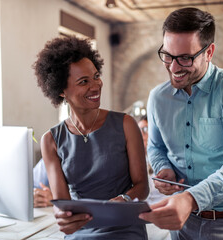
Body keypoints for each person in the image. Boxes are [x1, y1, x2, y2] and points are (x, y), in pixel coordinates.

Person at [139, 7, 223, 240]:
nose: (174, 67)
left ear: (209, 52)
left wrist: (190, 198)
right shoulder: (157, 97)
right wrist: (163, 169)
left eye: (185, 58)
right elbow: (156, 147)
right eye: (167, 55)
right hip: (182, 225)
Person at [33, 36, 149, 239]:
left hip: (125, 228)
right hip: (81, 231)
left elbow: (142, 186)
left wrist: (123, 199)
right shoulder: (51, 140)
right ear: (62, 91)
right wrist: (63, 217)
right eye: (84, 82)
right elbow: (63, 204)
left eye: (96, 76)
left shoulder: (126, 124)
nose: (95, 86)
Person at [138, 115, 171, 240]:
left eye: (145, 130)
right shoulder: (135, 161)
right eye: (139, 130)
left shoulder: (166, 160)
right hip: (142, 217)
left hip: (163, 215)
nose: (141, 134)